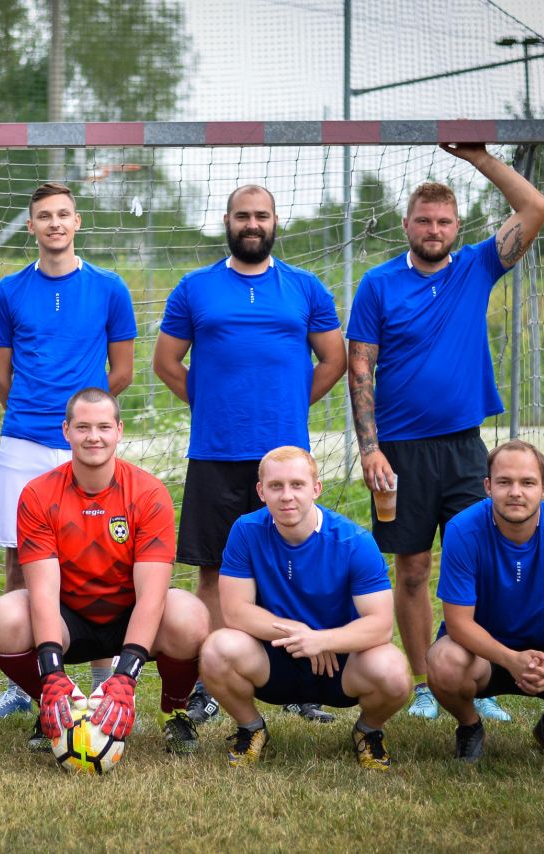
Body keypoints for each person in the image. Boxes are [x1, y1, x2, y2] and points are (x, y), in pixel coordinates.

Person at [346, 142, 544, 723]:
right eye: (424, 221)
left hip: (464, 448)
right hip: (399, 453)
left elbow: (535, 207)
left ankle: (474, 676)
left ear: (457, 227)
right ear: (406, 225)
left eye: (443, 221)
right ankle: (423, 683)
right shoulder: (378, 284)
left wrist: (480, 158)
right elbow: (360, 368)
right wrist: (370, 449)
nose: (433, 230)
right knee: (412, 569)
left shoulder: (476, 267)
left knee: (478, 561)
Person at [153, 184, 346, 724]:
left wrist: (289, 406)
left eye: (261, 215)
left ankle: (300, 678)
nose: (252, 224)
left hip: (284, 458)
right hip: (215, 453)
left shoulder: (305, 287)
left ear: (275, 221)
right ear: (228, 221)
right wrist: (213, 406)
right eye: (243, 215)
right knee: (215, 570)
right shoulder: (195, 287)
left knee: (292, 565)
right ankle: (212, 681)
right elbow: (166, 363)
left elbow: (333, 360)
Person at [0, 181, 137, 719]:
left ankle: (101, 679)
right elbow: (1, 377)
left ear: (77, 223)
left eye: (63, 214)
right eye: (44, 215)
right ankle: (28, 685)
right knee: (20, 559)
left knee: (101, 556)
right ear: (31, 226)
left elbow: (122, 371)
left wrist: (83, 426)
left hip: (85, 444)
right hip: (24, 441)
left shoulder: (109, 288)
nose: (54, 223)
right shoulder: (8, 291)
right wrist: (40, 417)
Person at [0, 388, 209, 755]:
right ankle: (57, 704)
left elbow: (152, 596)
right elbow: (43, 593)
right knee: (1, 618)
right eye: (83, 427)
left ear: (119, 431)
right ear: (66, 431)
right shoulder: (38, 494)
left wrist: (126, 677)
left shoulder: (149, 493)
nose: (94, 437)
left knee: (190, 614)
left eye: (103, 427)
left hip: (128, 617)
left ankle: (174, 711)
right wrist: (52, 674)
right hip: (68, 620)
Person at [200, 447, 410, 770]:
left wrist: (323, 640)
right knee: (217, 649)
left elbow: (381, 625)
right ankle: (251, 728)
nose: (287, 496)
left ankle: (368, 731)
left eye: (297, 485)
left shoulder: (354, 541)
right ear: (261, 492)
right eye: (276, 486)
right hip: (275, 659)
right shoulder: (246, 530)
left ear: (316, 488)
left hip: (339, 665)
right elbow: (235, 611)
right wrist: (300, 632)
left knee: (394, 671)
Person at [426, 440, 544, 762]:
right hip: (481, 657)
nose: (515, 492)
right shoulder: (461, 529)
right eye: (504, 482)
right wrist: (510, 659)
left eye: (527, 483)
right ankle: (470, 727)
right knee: (442, 660)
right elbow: (458, 624)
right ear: (488, 486)